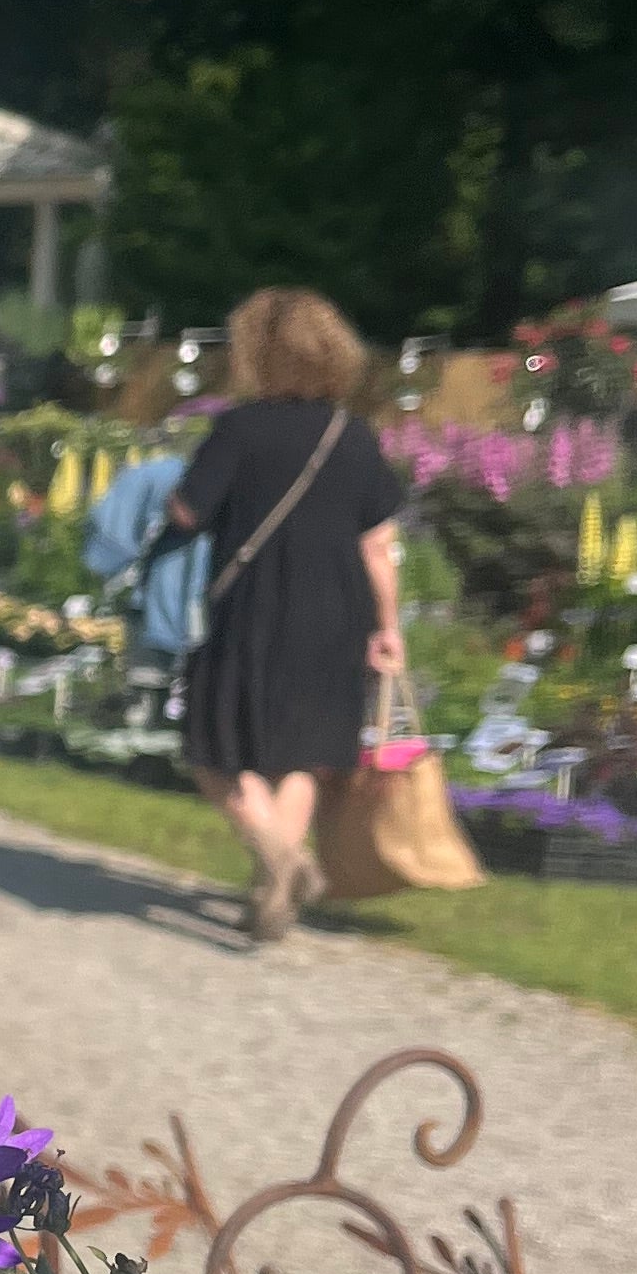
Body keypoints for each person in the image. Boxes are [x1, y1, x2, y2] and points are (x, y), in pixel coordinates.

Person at [165, 286, 403, 940]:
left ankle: (280, 858)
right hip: (337, 616)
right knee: (300, 754)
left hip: (251, 610)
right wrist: (388, 628)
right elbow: (378, 546)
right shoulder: (352, 436)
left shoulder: (239, 430)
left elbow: (188, 511)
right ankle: (275, 893)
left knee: (212, 748)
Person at [82, 439, 207, 724]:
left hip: (163, 590)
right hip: (179, 591)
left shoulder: (157, 476)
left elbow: (112, 532)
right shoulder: (165, 478)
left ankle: (146, 713)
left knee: (151, 669)